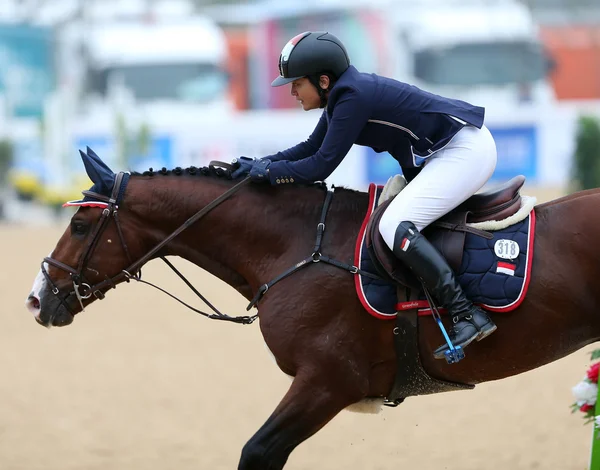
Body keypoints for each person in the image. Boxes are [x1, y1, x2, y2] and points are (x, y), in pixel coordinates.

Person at [231, 31, 497, 360]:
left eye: (297, 83)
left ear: (323, 80)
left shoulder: (353, 97)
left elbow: (318, 167)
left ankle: (466, 312)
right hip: (447, 151)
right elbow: (310, 148)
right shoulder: (344, 96)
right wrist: (259, 164)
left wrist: (267, 174)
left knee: (394, 225)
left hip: (465, 151)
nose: (292, 91)